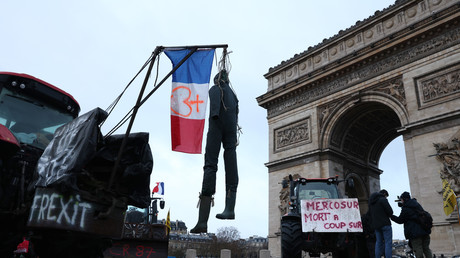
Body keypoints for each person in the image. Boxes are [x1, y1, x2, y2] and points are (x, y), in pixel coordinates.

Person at [190, 69, 239, 233]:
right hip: (231, 130)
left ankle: (202, 221)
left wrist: (215, 115)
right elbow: (236, 113)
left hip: (216, 126)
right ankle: (230, 208)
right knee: (231, 160)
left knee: (210, 165)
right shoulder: (233, 94)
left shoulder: (215, 89)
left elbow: (215, 109)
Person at [391, 192, 433, 258]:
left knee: (418, 250)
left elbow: (400, 220)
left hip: (415, 233)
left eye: (401, 200)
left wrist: (391, 216)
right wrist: (403, 205)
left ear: (403, 199)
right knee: (426, 249)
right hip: (425, 231)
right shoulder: (417, 205)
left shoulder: (406, 209)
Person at [369, 189, 393, 258]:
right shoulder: (382, 199)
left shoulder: (371, 202)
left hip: (376, 225)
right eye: (386, 196)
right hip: (385, 224)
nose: (386, 198)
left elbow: (370, 214)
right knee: (388, 243)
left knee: (378, 243)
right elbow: (390, 212)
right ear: (384, 194)